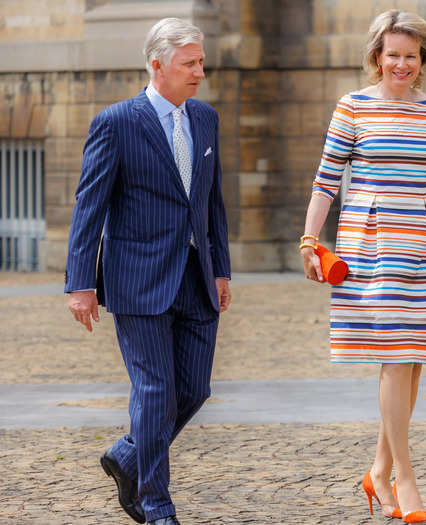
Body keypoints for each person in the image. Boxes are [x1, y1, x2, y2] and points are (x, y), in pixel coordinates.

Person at [300, 9, 426, 523]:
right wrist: (310, 240)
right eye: (392, 55)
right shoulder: (352, 107)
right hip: (371, 245)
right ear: (376, 57)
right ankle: (405, 477)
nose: (400, 64)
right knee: (395, 355)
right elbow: (326, 181)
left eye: (410, 55)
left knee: (414, 357)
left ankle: (378, 471)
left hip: (422, 246)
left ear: (421, 59)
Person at [65, 18, 231, 525]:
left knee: (193, 390)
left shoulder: (205, 118)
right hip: (137, 279)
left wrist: (221, 267)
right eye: (190, 63)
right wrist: (80, 282)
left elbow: (212, 203)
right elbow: (88, 207)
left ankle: (129, 454)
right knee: (155, 392)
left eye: (201, 61)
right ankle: (156, 504)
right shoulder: (116, 122)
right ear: (157, 65)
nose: (200, 71)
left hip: (197, 277)